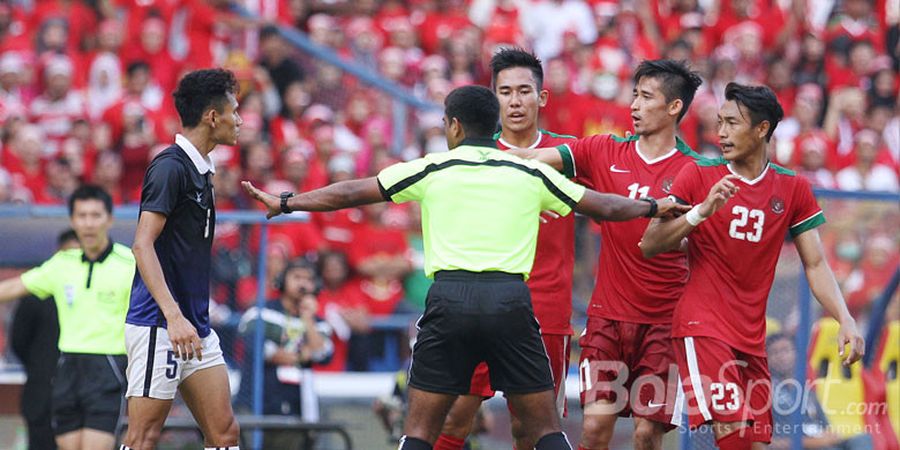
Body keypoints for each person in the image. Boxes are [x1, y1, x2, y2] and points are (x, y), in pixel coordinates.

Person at [242, 84, 689, 450]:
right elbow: (602, 206)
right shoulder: (527, 173)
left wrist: (287, 201)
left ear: (454, 126)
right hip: (511, 303)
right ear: (494, 126)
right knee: (546, 433)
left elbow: (354, 192)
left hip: (449, 302)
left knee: (418, 433)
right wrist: (653, 206)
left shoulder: (433, 167)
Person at [640, 83, 865, 450]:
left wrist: (845, 318)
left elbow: (816, 263)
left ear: (762, 129)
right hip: (703, 326)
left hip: (750, 338)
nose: (722, 132)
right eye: (720, 122)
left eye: (732, 123)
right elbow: (650, 243)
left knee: (758, 444)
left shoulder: (792, 188)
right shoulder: (699, 175)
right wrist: (701, 211)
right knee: (733, 436)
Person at [509, 59, 704, 450]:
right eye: (634, 94)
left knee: (647, 435)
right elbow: (532, 159)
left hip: (664, 325)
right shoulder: (602, 149)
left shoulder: (695, 170)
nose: (633, 105)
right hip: (606, 321)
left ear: (674, 107)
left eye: (646, 97)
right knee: (595, 430)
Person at [435, 47, 580, 450]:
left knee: (530, 427)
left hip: (546, 306)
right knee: (456, 414)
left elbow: (609, 201)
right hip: (482, 302)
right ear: (492, 97)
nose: (515, 102)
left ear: (542, 97)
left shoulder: (570, 154)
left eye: (524, 91)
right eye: (505, 92)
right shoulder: (474, 154)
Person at [120, 68, 242, 450]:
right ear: (212, 116)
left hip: (195, 327)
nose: (238, 120)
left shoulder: (201, 170)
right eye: (234, 111)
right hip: (161, 324)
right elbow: (143, 245)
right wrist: (173, 316)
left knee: (224, 433)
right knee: (143, 436)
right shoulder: (170, 166)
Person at [0, 186, 135, 450]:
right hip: (66, 369)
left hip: (106, 368)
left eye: (95, 215)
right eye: (82, 215)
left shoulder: (130, 263)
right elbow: (13, 288)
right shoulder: (62, 264)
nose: (88, 223)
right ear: (72, 220)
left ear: (109, 218)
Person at [237, 258, 335, 450]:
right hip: (256, 400)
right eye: (297, 277)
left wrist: (307, 318)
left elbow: (323, 354)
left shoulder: (318, 322)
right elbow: (251, 342)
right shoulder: (263, 311)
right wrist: (298, 354)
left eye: (308, 279)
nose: (303, 284)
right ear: (283, 280)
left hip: (298, 406)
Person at [8, 229, 77, 450]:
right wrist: (42, 368)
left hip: (85, 393)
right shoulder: (36, 292)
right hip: (42, 395)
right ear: (57, 256)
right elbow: (19, 340)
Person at [766, 334, 873, 450]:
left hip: (820, 441)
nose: (781, 356)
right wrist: (813, 442)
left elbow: (826, 427)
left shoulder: (806, 390)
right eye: (775, 352)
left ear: (796, 354)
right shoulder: (767, 390)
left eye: (785, 350)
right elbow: (769, 441)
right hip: (799, 446)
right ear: (768, 359)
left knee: (862, 440)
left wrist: (829, 437)